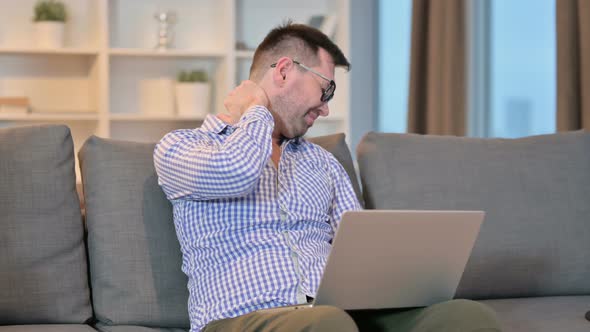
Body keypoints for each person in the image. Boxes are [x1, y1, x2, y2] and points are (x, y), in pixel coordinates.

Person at [154, 23, 501, 332]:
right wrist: (257, 108)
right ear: (284, 72)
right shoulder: (183, 147)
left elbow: (363, 250)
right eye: (326, 89)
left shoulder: (323, 163)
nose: (326, 108)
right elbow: (238, 173)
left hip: (334, 315)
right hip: (240, 318)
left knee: (465, 318)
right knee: (326, 323)